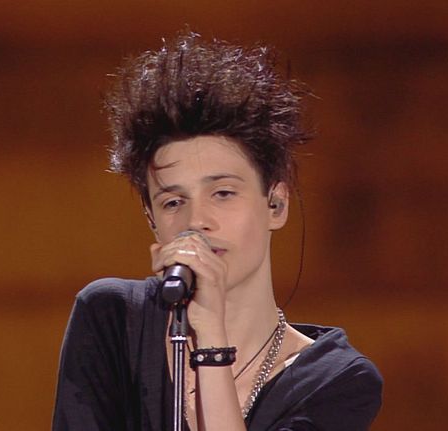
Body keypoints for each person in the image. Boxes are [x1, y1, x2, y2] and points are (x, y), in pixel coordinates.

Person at [52, 32, 382, 431]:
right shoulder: (111, 318)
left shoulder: (338, 381)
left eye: (223, 193)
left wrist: (211, 336)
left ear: (276, 205)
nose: (197, 221)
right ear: (151, 219)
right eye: (173, 202)